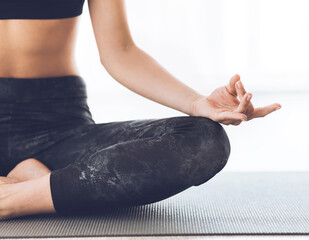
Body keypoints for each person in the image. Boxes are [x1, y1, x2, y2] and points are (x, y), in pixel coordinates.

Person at [0, 0, 281, 220]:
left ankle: (17, 196)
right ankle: (51, 187)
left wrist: (196, 103)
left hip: (60, 125)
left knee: (205, 140)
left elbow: (119, 51)